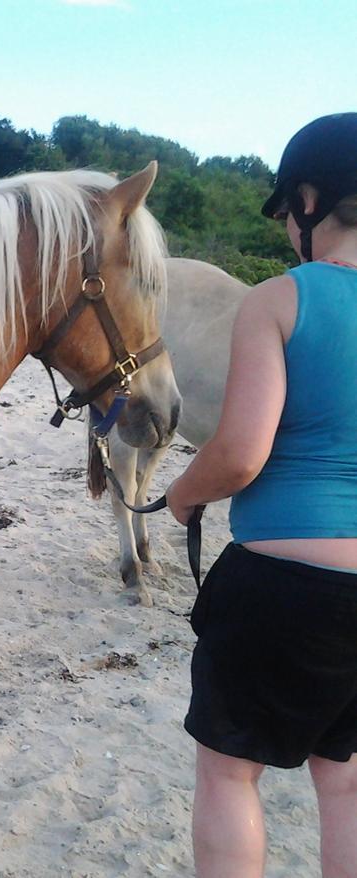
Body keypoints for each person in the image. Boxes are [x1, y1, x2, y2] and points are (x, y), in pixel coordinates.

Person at [166, 112, 357, 878]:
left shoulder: (279, 301)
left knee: (228, 772)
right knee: (343, 778)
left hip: (283, 583)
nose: (285, 229)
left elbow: (241, 453)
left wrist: (183, 493)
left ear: (311, 200)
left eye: (285, 212)